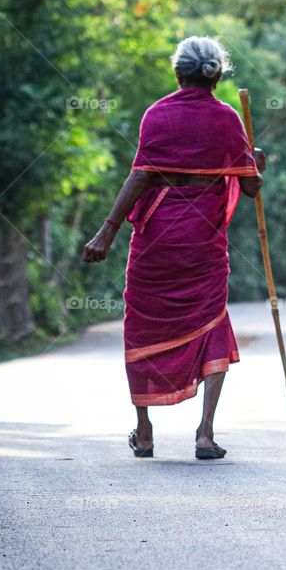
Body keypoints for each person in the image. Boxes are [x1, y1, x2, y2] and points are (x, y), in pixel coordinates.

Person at [82, 36, 265, 460]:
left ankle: (144, 432)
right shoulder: (229, 120)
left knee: (143, 326)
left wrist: (106, 232)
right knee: (212, 323)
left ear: (178, 73)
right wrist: (257, 162)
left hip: (156, 242)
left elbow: (139, 177)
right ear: (216, 75)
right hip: (202, 242)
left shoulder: (157, 115)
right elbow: (251, 188)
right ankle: (205, 433)